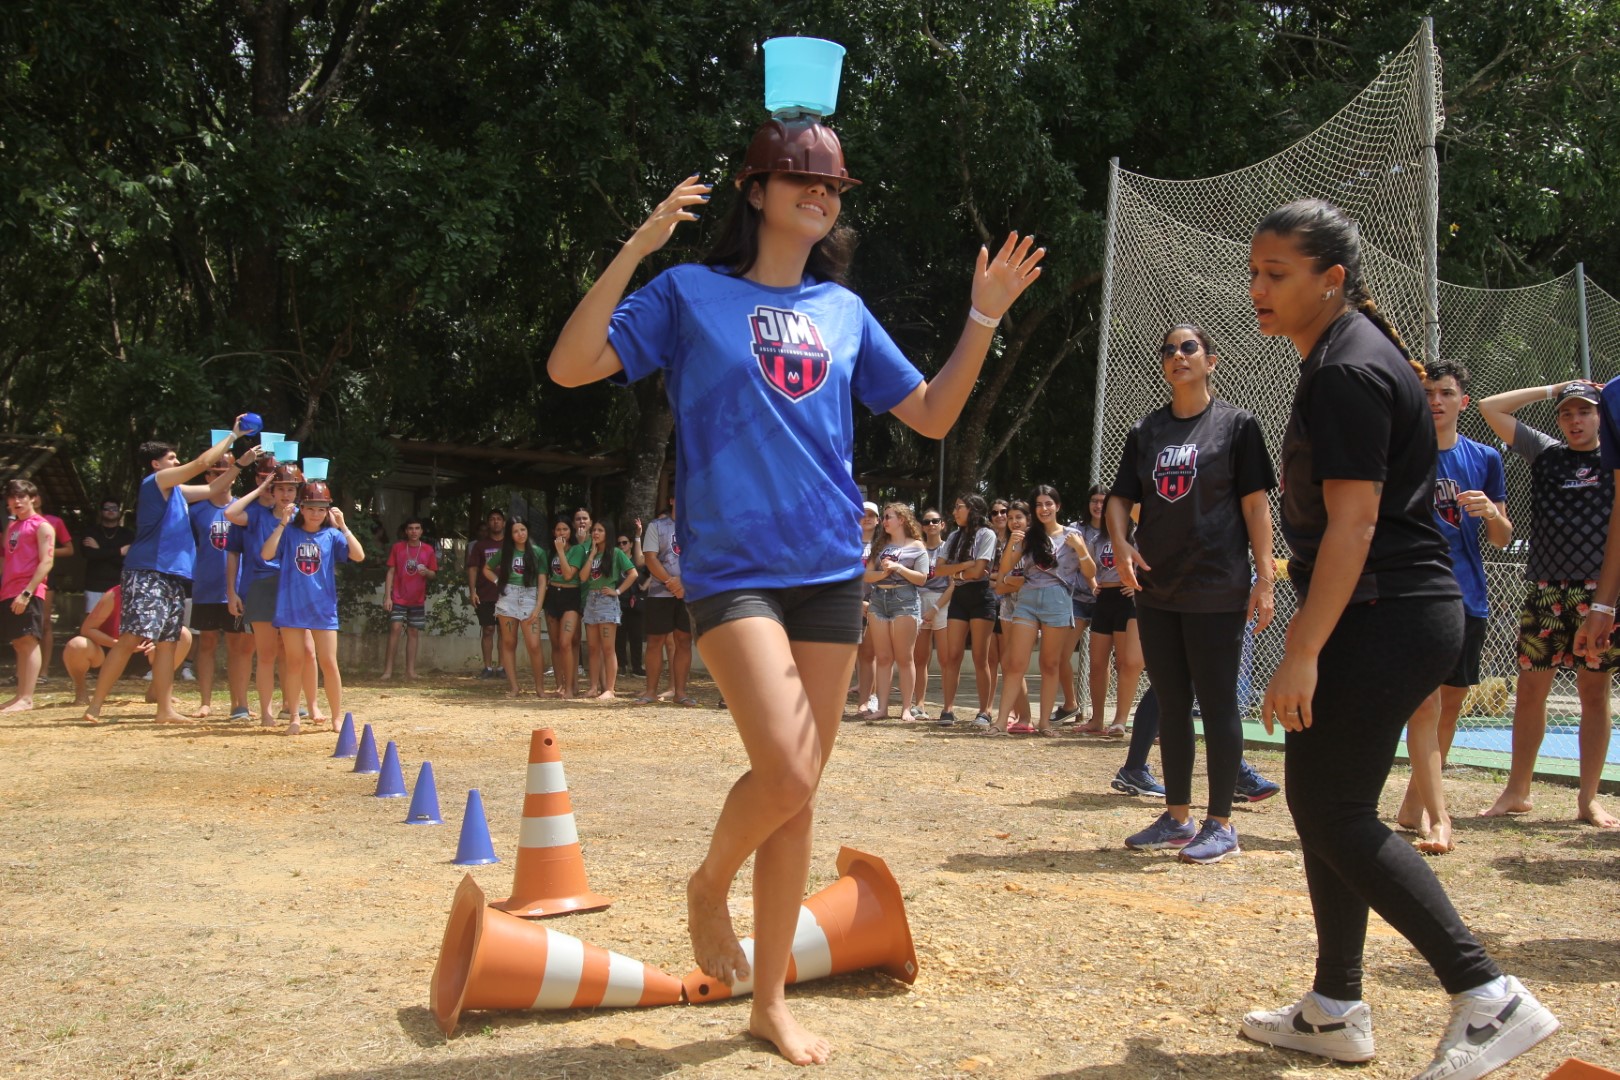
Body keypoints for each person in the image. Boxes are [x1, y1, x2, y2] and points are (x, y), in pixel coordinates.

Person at [546, 105, 1042, 1062]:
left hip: (827, 571)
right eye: (801, 179)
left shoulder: (843, 312)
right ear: (757, 191)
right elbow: (571, 365)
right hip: (731, 571)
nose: (819, 195)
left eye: (832, 186)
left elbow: (934, 416)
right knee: (784, 765)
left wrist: (983, 316)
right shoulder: (689, 293)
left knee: (801, 791)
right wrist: (643, 243)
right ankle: (705, 885)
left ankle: (768, 1001)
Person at [1240, 198, 1556, 1078]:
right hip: (1393, 611)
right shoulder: (1351, 353)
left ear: (1330, 281)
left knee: (1334, 811)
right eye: (1255, 270)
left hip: (1388, 613)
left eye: (1276, 275)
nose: (1256, 288)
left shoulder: (1346, 368)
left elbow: (1354, 524)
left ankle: (1488, 995)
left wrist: (1301, 647)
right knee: (1322, 804)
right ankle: (1334, 1007)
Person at [1108, 324, 1276, 864]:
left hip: (1217, 586)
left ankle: (1221, 823)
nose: (1178, 357)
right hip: (1157, 588)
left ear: (1211, 360)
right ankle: (1177, 817)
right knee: (1173, 703)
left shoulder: (1237, 427)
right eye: (1169, 351)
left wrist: (1265, 578)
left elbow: (1255, 507)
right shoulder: (1146, 431)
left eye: (1189, 348)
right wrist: (1121, 542)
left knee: (1220, 701)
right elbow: (1119, 500)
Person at [1475, 378, 1619, 828]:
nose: (1575, 421)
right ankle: (1517, 792)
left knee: (1594, 693)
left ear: (1602, 417)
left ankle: (1588, 799)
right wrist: (1553, 389)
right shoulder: (1547, 452)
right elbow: (1490, 406)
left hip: (1599, 597)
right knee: (1530, 691)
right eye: (1567, 413)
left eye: (1585, 412)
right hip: (1545, 592)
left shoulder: (1613, 461)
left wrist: (1607, 602)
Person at [1394, 361, 1512, 852]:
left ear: (1463, 402)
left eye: (1445, 393)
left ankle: (1411, 806)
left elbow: (1502, 539)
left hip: (1468, 596)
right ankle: (1440, 819)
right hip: (1415, 595)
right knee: (1423, 702)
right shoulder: (1400, 455)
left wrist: (1491, 512)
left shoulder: (1484, 458)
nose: (1436, 401)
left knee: (1449, 707)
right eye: (1427, 393)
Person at [82, 425, 244, 724]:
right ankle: (95, 706)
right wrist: (234, 436)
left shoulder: (178, 493)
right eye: (171, 458)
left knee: (168, 641)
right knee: (131, 637)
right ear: (157, 463)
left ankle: (164, 710)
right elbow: (200, 466)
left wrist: (239, 466)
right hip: (147, 571)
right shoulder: (155, 480)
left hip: (172, 575)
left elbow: (211, 489)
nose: (175, 462)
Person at [262, 479, 363, 734]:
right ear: (301, 508)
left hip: (323, 608)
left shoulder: (332, 535)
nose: (315, 514)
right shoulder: (289, 532)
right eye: (310, 508)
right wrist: (283, 522)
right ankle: (294, 715)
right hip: (291, 607)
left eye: (321, 509)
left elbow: (358, 555)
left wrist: (343, 526)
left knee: (329, 662)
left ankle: (336, 717)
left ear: (328, 510)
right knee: (295, 662)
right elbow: (266, 554)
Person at [998, 486, 1097, 737]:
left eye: (1048, 503)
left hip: (1058, 600)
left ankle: (1044, 723)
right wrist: (1012, 542)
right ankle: (999, 723)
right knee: (1015, 663)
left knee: (1050, 664)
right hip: (1028, 599)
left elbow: (1090, 573)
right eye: (1039, 505)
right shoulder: (1029, 535)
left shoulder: (1073, 534)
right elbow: (1006, 568)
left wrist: (1082, 549)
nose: (1044, 509)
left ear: (1058, 506)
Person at [226, 460, 315, 727]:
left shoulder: (303, 516)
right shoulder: (256, 514)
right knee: (265, 654)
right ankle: (265, 713)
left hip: (294, 587)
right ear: (272, 490)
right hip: (262, 585)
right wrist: (259, 489)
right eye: (280, 489)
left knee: (300, 651)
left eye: (291, 489)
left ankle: (301, 707)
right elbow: (231, 512)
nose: (286, 494)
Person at [188, 448, 257, 720]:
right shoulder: (196, 511)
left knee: (237, 645)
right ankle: (205, 702)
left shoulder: (242, 508)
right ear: (207, 475)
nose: (223, 477)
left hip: (236, 590)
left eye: (227, 472)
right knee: (205, 643)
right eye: (216, 473)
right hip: (205, 587)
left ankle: (238, 702)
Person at [1080, 486, 1144, 737]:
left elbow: (1148, 565)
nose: (1105, 510)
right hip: (1104, 599)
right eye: (1099, 504)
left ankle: (1119, 720)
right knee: (1097, 664)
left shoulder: (1135, 535)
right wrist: (1094, 586)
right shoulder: (1097, 540)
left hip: (1126, 598)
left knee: (1124, 663)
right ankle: (1096, 720)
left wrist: (1138, 588)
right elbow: (1089, 570)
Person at [64, 585, 192, 705]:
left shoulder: (164, 593)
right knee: (77, 645)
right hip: (107, 651)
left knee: (182, 634)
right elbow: (87, 629)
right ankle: (81, 691)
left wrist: (157, 645)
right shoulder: (115, 594)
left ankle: (157, 691)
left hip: (143, 651)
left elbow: (167, 630)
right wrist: (117, 644)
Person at [861, 502, 929, 721]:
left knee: (905, 657)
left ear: (902, 519)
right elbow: (867, 575)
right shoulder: (881, 544)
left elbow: (922, 578)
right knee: (883, 657)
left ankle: (907, 709)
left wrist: (898, 568)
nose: (885, 521)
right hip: (879, 599)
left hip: (905, 600)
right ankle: (882, 708)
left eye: (889, 516)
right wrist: (883, 574)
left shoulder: (917, 545)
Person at [934, 493, 997, 726]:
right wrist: (964, 568)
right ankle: (948, 709)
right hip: (960, 596)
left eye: (959, 507)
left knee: (981, 657)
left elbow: (979, 571)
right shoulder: (953, 536)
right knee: (953, 656)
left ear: (973, 510)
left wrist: (956, 571)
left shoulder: (986, 534)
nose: (955, 512)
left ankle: (985, 711)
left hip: (981, 596)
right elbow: (939, 570)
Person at [2, 479, 57, 712]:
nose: (17, 502)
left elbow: (47, 561)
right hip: (8, 589)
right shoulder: (12, 527)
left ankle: (27, 698)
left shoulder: (42, 526)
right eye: (12, 497)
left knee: (28, 640)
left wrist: (27, 592)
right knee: (18, 642)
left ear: (32, 498)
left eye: (21, 497)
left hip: (29, 590)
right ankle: (19, 696)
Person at [482, 518, 546, 697]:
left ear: (528, 531)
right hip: (508, 597)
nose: (520, 534)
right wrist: (498, 582)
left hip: (529, 597)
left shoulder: (538, 552)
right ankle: (514, 687)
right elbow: (486, 569)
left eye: (523, 529)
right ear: (511, 535)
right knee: (509, 642)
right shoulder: (505, 552)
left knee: (534, 645)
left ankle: (540, 688)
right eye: (516, 531)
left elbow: (542, 580)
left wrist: (538, 606)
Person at [639, 500, 694, 706]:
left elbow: (702, 557)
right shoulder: (657, 526)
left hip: (688, 593)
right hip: (660, 593)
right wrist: (671, 582)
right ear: (672, 500)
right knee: (655, 641)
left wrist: (684, 582)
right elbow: (650, 558)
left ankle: (680, 693)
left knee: (683, 641)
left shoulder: (698, 525)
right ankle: (650, 691)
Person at [580, 520, 638, 699]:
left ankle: (610, 690)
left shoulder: (617, 553)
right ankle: (593, 687)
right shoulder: (592, 553)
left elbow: (633, 573)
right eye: (594, 530)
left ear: (608, 533)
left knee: (607, 648)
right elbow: (582, 577)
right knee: (592, 647)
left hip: (607, 601)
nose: (595, 533)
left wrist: (618, 591)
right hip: (591, 599)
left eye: (600, 530)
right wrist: (591, 555)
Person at [382, 517, 438, 680]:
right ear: (406, 531)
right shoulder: (398, 548)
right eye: (411, 528)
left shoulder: (428, 550)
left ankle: (410, 671)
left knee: (413, 632)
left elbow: (434, 573)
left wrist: (427, 572)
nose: (414, 531)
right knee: (396, 629)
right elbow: (391, 572)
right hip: (398, 596)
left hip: (417, 598)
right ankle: (388, 670)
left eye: (417, 528)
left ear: (421, 531)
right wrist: (388, 596)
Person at [912, 507, 954, 722]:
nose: (931, 525)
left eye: (935, 521)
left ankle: (948, 708)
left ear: (942, 525)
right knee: (920, 658)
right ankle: (919, 704)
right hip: (918, 601)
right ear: (921, 526)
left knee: (946, 659)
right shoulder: (917, 548)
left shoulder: (949, 549)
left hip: (942, 603)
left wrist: (935, 608)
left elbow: (953, 583)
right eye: (926, 522)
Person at [30, 494, 74, 683]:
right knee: (22, 627)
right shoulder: (15, 524)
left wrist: (44, 550)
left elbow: (69, 549)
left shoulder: (54, 521)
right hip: (20, 578)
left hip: (47, 575)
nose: (33, 499)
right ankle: (22, 672)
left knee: (45, 622)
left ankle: (44, 671)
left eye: (36, 495)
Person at [541, 516, 583, 697]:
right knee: (556, 644)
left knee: (566, 642)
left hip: (570, 596)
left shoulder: (576, 550)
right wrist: (557, 551)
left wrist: (561, 551)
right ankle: (560, 685)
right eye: (558, 530)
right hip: (553, 596)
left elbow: (567, 574)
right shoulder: (550, 552)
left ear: (570, 531)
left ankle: (571, 686)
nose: (561, 533)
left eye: (565, 529)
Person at [466, 509, 507, 680]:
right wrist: (472, 591)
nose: (496, 522)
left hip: (506, 594)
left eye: (499, 519)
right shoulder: (480, 545)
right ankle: (488, 667)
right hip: (485, 593)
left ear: (504, 523)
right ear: (488, 523)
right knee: (488, 629)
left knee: (504, 632)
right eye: (492, 519)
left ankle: (503, 667)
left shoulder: (511, 544)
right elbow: (473, 568)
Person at [852, 500, 881, 717]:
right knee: (854, 651)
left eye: (872, 514)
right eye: (863, 513)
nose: (867, 517)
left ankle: (868, 699)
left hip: (876, 601)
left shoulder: (884, 545)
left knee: (871, 654)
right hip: (850, 601)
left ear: (878, 520)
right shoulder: (848, 542)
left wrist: (871, 602)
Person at [80, 497, 133, 613]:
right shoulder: (90, 532)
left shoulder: (128, 535)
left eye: (114, 508)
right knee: (92, 624)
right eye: (107, 508)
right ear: (101, 511)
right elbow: (89, 554)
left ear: (119, 512)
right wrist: (118, 552)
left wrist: (99, 550)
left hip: (118, 585)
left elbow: (126, 561)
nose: (110, 511)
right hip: (94, 585)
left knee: (116, 625)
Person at [615, 522, 647, 677]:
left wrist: (644, 586)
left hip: (636, 602)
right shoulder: (615, 560)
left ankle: (637, 666)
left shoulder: (637, 561)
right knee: (619, 636)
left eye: (625, 542)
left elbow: (651, 572)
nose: (622, 545)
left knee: (636, 636)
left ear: (630, 544)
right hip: (619, 602)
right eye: (619, 543)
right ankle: (621, 665)